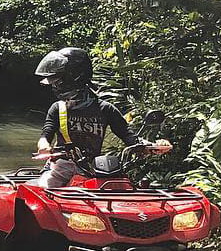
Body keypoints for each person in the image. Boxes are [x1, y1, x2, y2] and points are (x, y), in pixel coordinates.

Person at [32, 47, 168, 188]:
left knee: (121, 188)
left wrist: (152, 146)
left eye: (58, 82)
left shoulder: (105, 109)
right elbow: (46, 134)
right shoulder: (58, 108)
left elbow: (128, 135)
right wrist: (44, 146)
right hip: (61, 166)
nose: (55, 86)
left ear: (75, 76)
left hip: (95, 169)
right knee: (44, 191)